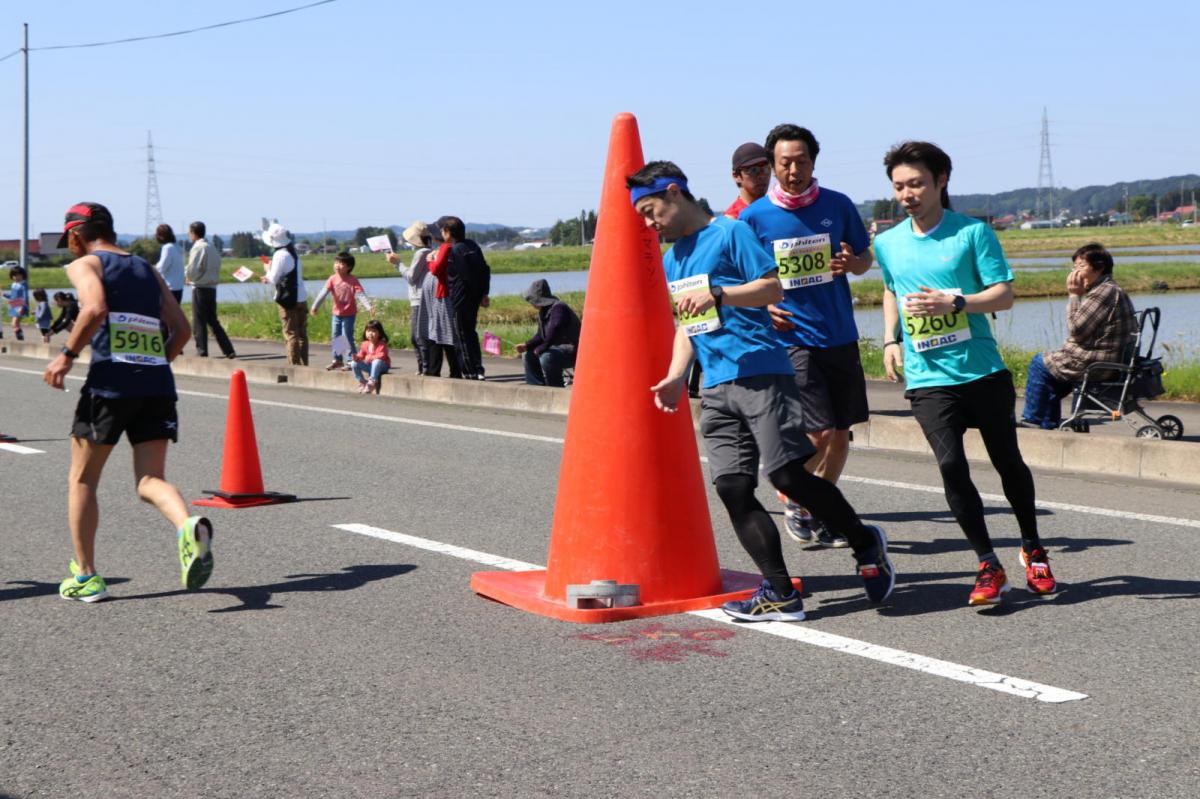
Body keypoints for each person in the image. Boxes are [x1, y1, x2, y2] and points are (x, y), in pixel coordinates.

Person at [629, 161, 895, 622]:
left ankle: (863, 540)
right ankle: (778, 591)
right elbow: (689, 325)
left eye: (652, 211)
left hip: (762, 374)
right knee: (732, 487)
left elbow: (774, 288)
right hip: (715, 386)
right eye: (644, 218)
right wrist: (676, 375)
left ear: (674, 192)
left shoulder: (730, 233)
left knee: (788, 477)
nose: (651, 225)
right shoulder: (675, 259)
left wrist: (722, 294)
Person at [874, 140, 1055, 606]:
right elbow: (891, 289)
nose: (907, 194)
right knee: (951, 465)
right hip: (928, 375)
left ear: (941, 181)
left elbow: (1005, 295)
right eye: (899, 187)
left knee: (1007, 462)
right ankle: (987, 564)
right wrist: (891, 339)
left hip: (981, 369)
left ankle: (1033, 545)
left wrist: (957, 302)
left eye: (916, 183)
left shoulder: (972, 233)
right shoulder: (887, 243)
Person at [43, 202, 213, 603]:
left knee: (83, 479)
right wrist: (151, 364)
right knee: (149, 480)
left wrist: (65, 355)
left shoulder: (86, 265)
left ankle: (86, 577)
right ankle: (188, 526)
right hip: (156, 387)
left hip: (108, 389)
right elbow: (183, 330)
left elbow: (95, 307)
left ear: (74, 235)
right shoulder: (146, 268)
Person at [739, 124, 874, 548]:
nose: (793, 170)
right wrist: (764, 306)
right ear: (773, 165)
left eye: (801, 161)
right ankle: (795, 488)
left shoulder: (838, 205)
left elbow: (865, 258)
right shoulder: (753, 217)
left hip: (839, 332)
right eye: (784, 162)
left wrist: (853, 263)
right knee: (816, 432)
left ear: (814, 161)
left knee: (839, 432)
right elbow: (738, 279)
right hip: (792, 338)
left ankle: (821, 506)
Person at [1021, 243, 1136, 429]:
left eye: (1081, 266)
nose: (1076, 272)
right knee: (1052, 375)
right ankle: (1047, 424)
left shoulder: (1104, 292)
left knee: (1039, 364)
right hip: (1101, 358)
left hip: (1094, 362)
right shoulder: (1108, 289)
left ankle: (1034, 419)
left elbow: (1076, 329)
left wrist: (1074, 295)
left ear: (1099, 267)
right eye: (1074, 267)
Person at [439, 215, 491, 379]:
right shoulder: (472, 245)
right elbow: (485, 270)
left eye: (443, 230)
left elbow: (466, 275)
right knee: (470, 333)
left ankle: (470, 371)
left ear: (448, 232)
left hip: (461, 298)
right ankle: (478, 368)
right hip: (474, 298)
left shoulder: (456, 249)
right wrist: (483, 293)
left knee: (461, 336)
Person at [185, 221, 236, 359]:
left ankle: (202, 351)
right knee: (213, 320)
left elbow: (193, 269)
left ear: (194, 233)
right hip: (212, 287)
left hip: (200, 287)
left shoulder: (198, 247)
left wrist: (189, 277)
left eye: (190, 232)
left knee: (199, 321)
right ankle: (228, 349)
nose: (189, 235)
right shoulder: (211, 246)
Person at [387, 221, 433, 374]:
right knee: (418, 336)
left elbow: (411, 277)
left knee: (418, 336)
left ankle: (425, 368)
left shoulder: (421, 253)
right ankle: (423, 367)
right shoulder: (429, 251)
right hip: (423, 298)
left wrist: (398, 263)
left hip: (419, 299)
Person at [517, 279, 581, 388]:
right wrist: (527, 345)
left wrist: (542, 348)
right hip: (556, 348)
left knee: (547, 356)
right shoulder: (543, 311)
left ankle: (555, 387)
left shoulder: (559, 308)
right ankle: (536, 386)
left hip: (573, 349)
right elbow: (540, 335)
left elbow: (555, 328)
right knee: (527, 355)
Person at [310, 251, 368, 370]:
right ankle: (337, 360)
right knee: (336, 336)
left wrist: (369, 306)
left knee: (347, 336)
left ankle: (351, 361)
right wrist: (315, 306)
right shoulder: (332, 279)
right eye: (336, 262)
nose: (337, 265)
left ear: (349, 267)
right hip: (336, 314)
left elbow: (360, 294)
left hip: (349, 314)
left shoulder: (352, 280)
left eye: (341, 263)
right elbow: (323, 293)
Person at [261, 222, 309, 366]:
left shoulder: (279, 255)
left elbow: (273, 278)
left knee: (291, 333)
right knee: (301, 334)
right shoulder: (293, 252)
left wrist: (266, 272)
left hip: (288, 299)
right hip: (301, 296)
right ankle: (304, 363)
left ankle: (294, 366)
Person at [423, 232, 463, 378]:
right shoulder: (448, 248)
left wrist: (430, 260)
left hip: (443, 296)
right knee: (441, 334)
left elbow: (436, 269)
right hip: (440, 296)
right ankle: (447, 371)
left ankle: (448, 371)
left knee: (443, 334)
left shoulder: (446, 247)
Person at [723, 142, 771, 220]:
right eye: (753, 170)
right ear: (736, 176)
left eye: (766, 169)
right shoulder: (733, 220)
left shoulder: (777, 210)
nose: (762, 176)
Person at [350, 319, 391, 394]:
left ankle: (372, 382)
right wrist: (357, 358)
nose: (370, 333)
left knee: (376, 361)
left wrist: (370, 357)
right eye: (368, 331)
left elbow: (382, 355)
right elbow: (361, 355)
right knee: (353, 363)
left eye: (374, 331)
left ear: (380, 333)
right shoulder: (365, 344)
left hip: (382, 366)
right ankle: (363, 382)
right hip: (370, 366)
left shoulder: (382, 344)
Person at [154, 223, 185, 303]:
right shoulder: (177, 247)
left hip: (169, 288)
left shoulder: (167, 248)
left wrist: (152, 269)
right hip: (178, 287)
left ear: (161, 236)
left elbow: (162, 267)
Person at [4, 265, 30, 340]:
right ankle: (20, 338)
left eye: (18, 275)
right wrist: (4, 294)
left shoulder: (23, 284)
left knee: (14, 323)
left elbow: (25, 297)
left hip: (20, 305)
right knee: (15, 324)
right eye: (14, 275)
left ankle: (20, 338)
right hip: (13, 305)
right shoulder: (13, 284)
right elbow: (12, 296)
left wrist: (23, 306)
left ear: (22, 275)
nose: (16, 277)